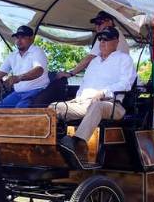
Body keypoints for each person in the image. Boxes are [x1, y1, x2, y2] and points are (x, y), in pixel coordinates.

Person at [52, 27, 137, 162]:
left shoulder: (124, 59)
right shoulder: (94, 62)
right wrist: (78, 98)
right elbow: (85, 83)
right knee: (54, 107)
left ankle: (77, 143)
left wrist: (103, 92)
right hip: (84, 103)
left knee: (97, 105)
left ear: (116, 42)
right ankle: (51, 145)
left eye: (106, 39)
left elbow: (126, 84)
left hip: (112, 105)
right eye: (100, 39)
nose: (102, 42)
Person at [0, 25, 49, 108]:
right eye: (17, 37)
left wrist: (18, 78)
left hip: (37, 91)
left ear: (31, 39)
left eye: (22, 37)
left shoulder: (37, 51)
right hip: (18, 93)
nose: (19, 40)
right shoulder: (12, 56)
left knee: (18, 112)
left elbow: (39, 70)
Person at [58, 11, 129, 80]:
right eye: (96, 24)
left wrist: (71, 73)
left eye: (100, 23)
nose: (97, 26)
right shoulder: (118, 33)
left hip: (112, 79)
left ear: (110, 22)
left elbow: (90, 57)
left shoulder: (109, 34)